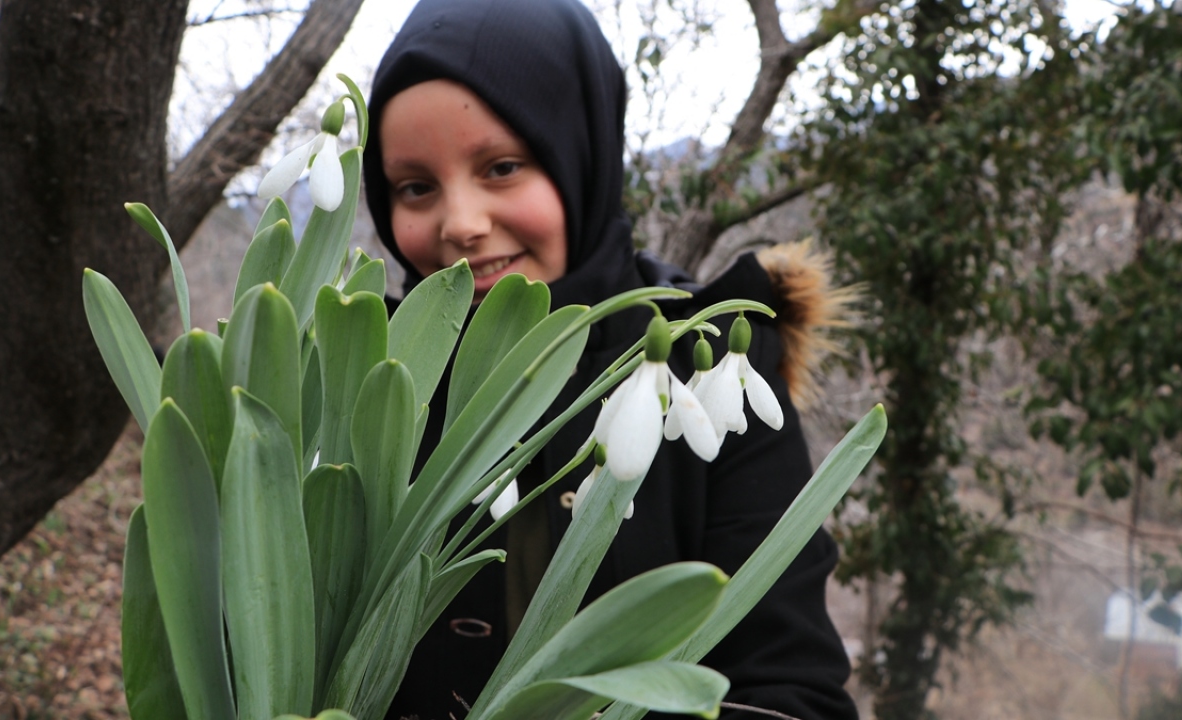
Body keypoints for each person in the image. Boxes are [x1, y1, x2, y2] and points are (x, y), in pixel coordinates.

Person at [361, 1, 860, 718]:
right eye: (415, 186)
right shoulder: (367, 384)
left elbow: (792, 691)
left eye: (502, 167)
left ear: (582, 156)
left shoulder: (708, 366)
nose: (461, 223)